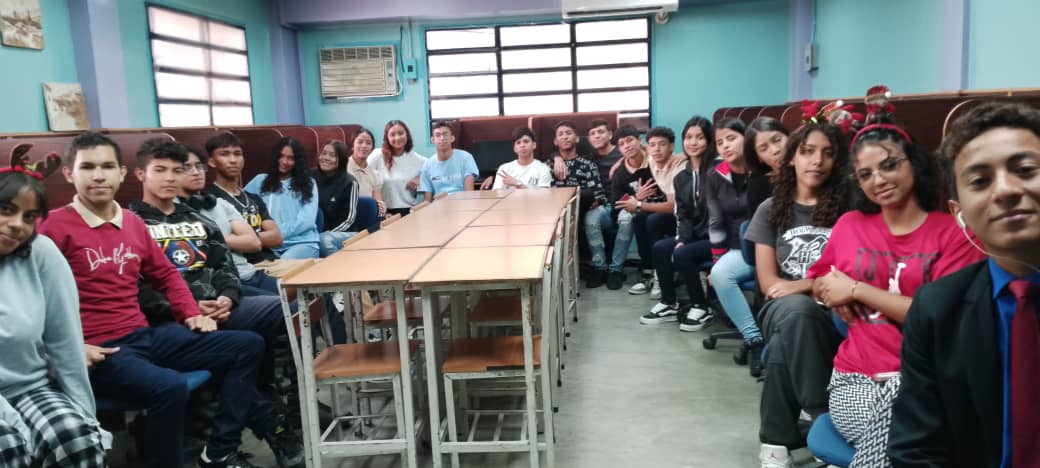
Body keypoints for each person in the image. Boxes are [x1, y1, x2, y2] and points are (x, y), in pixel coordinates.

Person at [38, 132, 303, 468]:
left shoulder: (130, 223)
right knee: (171, 387)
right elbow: (29, 297)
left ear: (121, 172)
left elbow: (165, 274)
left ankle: (219, 451)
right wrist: (69, 347)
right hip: (100, 348)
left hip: (145, 335)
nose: (99, 176)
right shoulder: (52, 227)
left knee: (247, 345)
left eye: (107, 166)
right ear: (68, 173)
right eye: (88, 167)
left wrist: (191, 313)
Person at [806, 90, 983, 468]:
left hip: (928, 384)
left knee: (910, 428)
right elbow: (820, 279)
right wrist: (830, 294)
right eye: (865, 174)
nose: (879, 180)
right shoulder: (850, 225)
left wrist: (857, 289)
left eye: (889, 165)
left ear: (914, 163)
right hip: (855, 381)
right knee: (910, 440)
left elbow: (937, 318)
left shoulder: (953, 235)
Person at [889, 101, 1040, 467]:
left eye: (1025, 170)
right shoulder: (937, 309)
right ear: (959, 214)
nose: (1005, 190)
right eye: (980, 181)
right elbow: (917, 450)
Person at [750, 121, 850, 467]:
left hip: (835, 306)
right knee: (797, 313)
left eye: (827, 153)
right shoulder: (770, 208)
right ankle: (825, 417)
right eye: (807, 152)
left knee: (783, 345)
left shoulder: (848, 208)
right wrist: (805, 289)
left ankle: (775, 440)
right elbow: (769, 283)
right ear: (792, 157)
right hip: (781, 307)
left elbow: (851, 272)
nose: (817, 161)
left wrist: (804, 284)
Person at [0, 164, 107, 467]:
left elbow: (65, 341)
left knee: (75, 439)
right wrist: (19, 429)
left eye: (29, 217)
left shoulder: (41, 252)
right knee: (7, 446)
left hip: (29, 386)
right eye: (6, 210)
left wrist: (87, 418)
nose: (17, 224)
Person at [641, 117, 716, 330]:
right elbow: (683, 214)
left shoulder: (717, 170)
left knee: (683, 254)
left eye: (699, 137)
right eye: (689, 137)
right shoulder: (682, 177)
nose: (693, 142)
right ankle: (670, 303)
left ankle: (701, 307)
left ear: (709, 140)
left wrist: (686, 243)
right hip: (696, 235)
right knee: (661, 248)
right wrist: (682, 238)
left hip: (718, 237)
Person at [179, 145, 279, 296]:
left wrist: (211, 238)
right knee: (281, 303)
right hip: (226, 282)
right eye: (187, 167)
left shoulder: (219, 203)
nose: (196, 172)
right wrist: (233, 239)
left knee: (306, 292)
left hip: (251, 273)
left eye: (199, 166)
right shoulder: (174, 214)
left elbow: (254, 243)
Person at [203, 132, 283, 264]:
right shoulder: (209, 199)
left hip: (271, 260)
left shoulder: (253, 198)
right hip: (244, 266)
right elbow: (217, 239)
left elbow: (276, 238)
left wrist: (247, 238)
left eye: (237, 154)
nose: (233, 160)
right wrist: (255, 239)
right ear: (212, 162)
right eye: (224, 154)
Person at [628, 126, 687, 297]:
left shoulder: (680, 166)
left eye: (662, 144)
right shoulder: (652, 159)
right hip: (674, 213)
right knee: (639, 219)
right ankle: (648, 271)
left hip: (685, 217)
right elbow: (633, 153)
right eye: (652, 145)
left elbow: (673, 206)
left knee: (654, 220)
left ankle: (661, 275)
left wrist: (639, 204)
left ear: (671, 146)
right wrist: (617, 164)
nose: (657, 149)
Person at [245, 137, 321, 259]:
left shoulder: (308, 183)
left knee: (284, 264)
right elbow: (239, 203)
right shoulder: (259, 181)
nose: (284, 162)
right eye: (281, 156)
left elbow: (306, 221)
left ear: (297, 161)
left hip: (301, 243)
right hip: (268, 245)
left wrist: (275, 235)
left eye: (290, 158)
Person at [604, 126, 656, 290]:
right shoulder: (620, 173)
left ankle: (657, 270)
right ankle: (616, 270)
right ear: (619, 149)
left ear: (639, 141)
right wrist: (636, 198)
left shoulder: (655, 160)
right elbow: (616, 205)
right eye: (622, 144)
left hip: (659, 207)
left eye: (630, 140)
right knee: (628, 217)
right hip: (635, 210)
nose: (627, 146)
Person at [314, 140, 362, 257]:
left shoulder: (350, 182)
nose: (326, 158)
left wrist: (326, 233)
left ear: (341, 160)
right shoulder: (310, 177)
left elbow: (349, 220)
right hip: (316, 232)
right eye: (324, 153)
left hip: (344, 232)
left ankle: (338, 266)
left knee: (323, 240)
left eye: (332, 155)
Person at [368, 120, 425, 216]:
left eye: (401, 133)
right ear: (387, 138)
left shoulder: (417, 159)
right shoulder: (377, 155)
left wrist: (420, 179)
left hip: (410, 211)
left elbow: (433, 171)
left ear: (407, 135)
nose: (397, 137)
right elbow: (363, 174)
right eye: (392, 135)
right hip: (384, 212)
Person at [419, 121, 479, 200]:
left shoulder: (466, 158)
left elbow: (469, 195)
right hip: (439, 205)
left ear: (452, 138)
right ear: (432, 140)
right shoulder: (427, 165)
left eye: (445, 134)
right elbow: (427, 200)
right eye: (438, 135)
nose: (442, 138)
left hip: (462, 203)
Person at [480, 127, 552, 190]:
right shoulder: (504, 169)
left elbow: (543, 195)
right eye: (518, 143)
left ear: (534, 145)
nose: (522, 145)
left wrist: (518, 184)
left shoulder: (543, 169)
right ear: (515, 148)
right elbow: (497, 194)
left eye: (526, 141)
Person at [346, 129, 386, 218]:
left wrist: (383, 212)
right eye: (360, 142)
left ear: (372, 149)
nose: (364, 146)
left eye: (368, 143)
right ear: (352, 145)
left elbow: (379, 204)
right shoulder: (342, 168)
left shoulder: (374, 174)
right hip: (346, 216)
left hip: (367, 217)